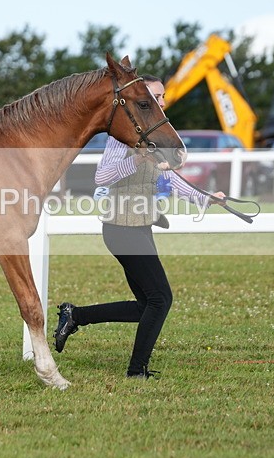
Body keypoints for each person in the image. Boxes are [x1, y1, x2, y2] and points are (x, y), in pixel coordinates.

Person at [53, 74, 224, 379]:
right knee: (161, 299)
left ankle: (74, 315)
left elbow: (170, 180)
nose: (160, 101)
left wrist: (206, 198)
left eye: (162, 97)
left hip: (140, 227)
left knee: (146, 304)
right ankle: (136, 371)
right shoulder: (124, 137)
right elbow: (101, 177)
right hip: (120, 228)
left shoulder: (156, 134)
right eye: (154, 97)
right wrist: (136, 158)